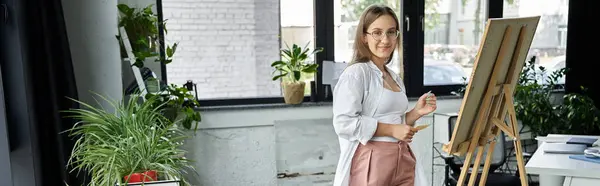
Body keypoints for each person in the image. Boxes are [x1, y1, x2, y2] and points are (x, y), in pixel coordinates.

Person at [332, 4, 437, 186]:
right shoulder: (357, 73)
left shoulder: (393, 76)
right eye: (377, 32)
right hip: (372, 159)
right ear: (364, 37)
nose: (385, 39)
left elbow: (395, 120)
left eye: (391, 32)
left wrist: (415, 113)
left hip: (402, 156)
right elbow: (344, 123)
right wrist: (391, 130)